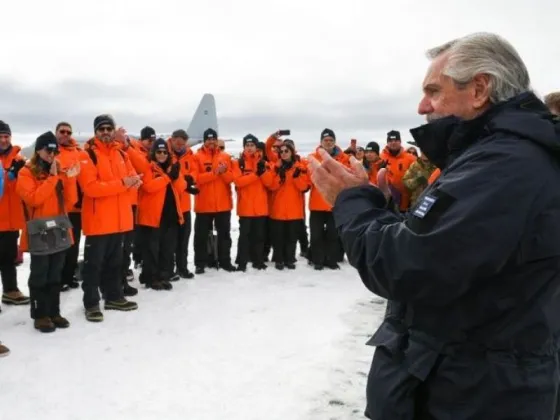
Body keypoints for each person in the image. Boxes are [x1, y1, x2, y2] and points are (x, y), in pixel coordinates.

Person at [308, 32, 560, 419]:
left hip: (471, 392)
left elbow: (409, 266)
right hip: (461, 378)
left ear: (479, 89)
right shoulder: (494, 156)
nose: (423, 105)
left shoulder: (505, 165)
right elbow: (444, 245)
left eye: (434, 91)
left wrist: (353, 201)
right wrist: (381, 208)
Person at [78, 115, 141, 322]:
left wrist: (134, 182)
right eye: (101, 129)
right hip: (98, 222)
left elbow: (133, 176)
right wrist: (124, 183)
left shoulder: (122, 154)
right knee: (93, 266)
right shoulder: (87, 155)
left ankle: (113, 296)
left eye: (108, 128)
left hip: (120, 220)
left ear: (113, 131)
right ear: (95, 132)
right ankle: (91, 303)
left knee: (116, 262)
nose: (105, 132)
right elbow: (91, 188)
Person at [16, 132, 78, 332]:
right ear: (38, 151)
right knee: (40, 275)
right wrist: (52, 178)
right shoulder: (26, 173)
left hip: (58, 229)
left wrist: (68, 179)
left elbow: (70, 202)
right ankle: (40, 314)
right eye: (48, 150)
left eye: (55, 151)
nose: (52, 154)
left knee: (55, 275)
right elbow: (34, 199)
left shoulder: (57, 172)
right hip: (39, 232)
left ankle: (54, 311)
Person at [0, 120, 30, 308]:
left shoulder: (19, 159)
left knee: (8, 257)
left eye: (6, 136)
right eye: (0, 136)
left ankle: (10, 290)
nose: (4, 140)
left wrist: (19, 173)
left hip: (10, 218)